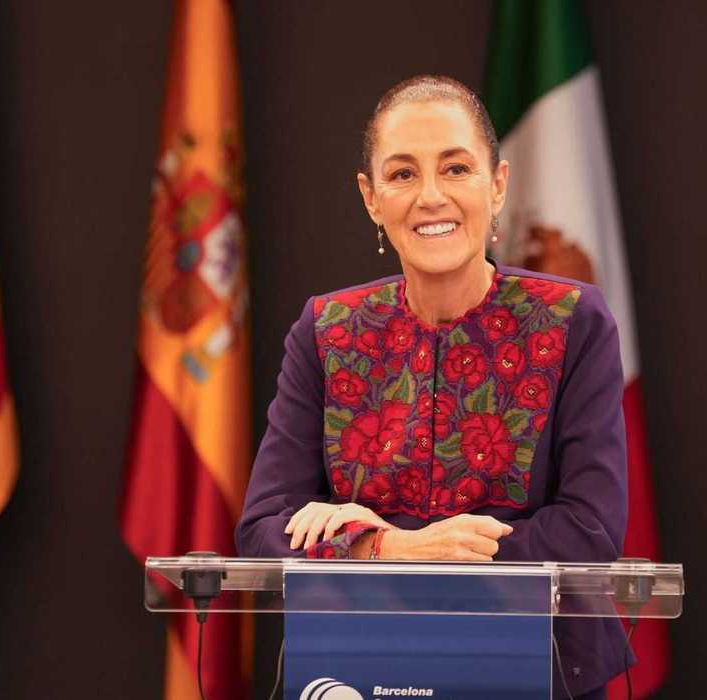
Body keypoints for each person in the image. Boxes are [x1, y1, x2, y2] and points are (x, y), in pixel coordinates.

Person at [235, 75, 629, 699]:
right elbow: (261, 530)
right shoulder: (326, 330)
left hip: (540, 666)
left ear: (497, 184)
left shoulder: (572, 319)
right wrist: (392, 546)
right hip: (355, 667)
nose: (430, 197)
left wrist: (404, 552)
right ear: (371, 198)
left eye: (455, 168)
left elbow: (590, 530)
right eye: (401, 174)